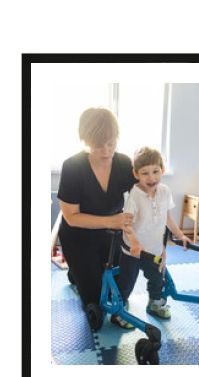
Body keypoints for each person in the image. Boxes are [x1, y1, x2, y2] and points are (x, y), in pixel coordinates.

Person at [57, 107, 136, 330]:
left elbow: (142, 196)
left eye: (111, 142)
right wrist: (112, 221)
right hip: (79, 236)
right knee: (95, 301)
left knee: (117, 288)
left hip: (112, 235)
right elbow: (71, 217)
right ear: (86, 140)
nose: (106, 149)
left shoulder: (124, 163)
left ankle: (81, 272)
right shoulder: (72, 166)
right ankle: (77, 272)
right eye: (99, 144)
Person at [117, 146, 192, 324]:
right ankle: (120, 310)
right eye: (145, 173)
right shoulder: (133, 196)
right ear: (136, 174)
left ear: (162, 170)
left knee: (157, 279)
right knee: (126, 283)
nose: (151, 178)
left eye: (155, 171)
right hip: (132, 251)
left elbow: (167, 217)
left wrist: (180, 235)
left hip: (155, 250)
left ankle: (155, 304)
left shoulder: (165, 191)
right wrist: (134, 243)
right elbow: (126, 224)